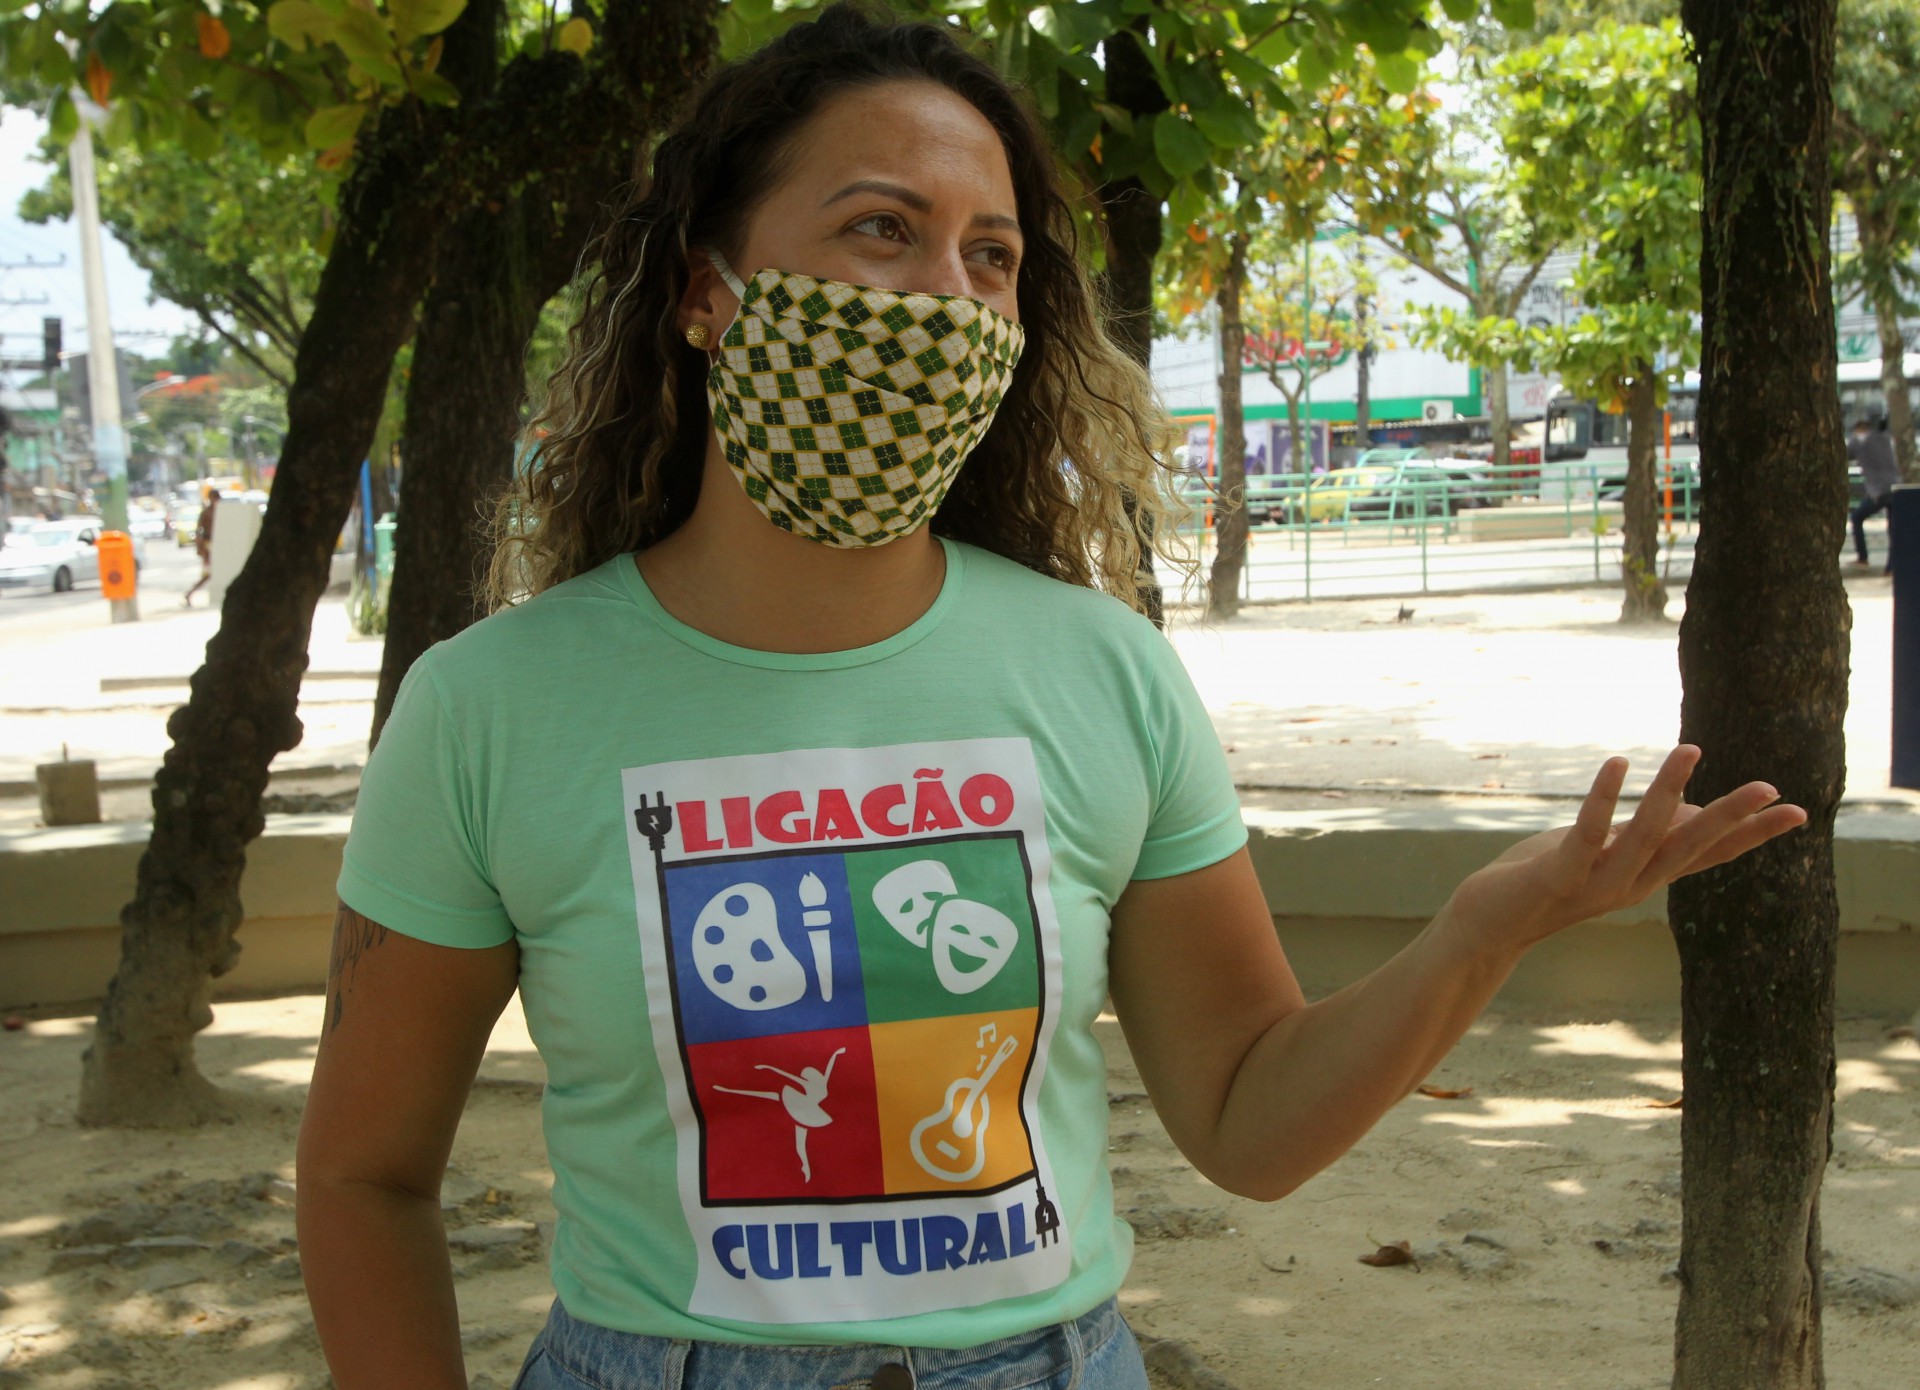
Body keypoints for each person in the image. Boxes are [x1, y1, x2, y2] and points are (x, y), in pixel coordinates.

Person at [295, 8, 1808, 1390]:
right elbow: (364, 1172)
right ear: (707, 291)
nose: (945, 298)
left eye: (991, 255)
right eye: (883, 228)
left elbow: (1247, 1118)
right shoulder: (490, 705)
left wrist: (1488, 926)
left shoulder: (1106, 671)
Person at [1846, 415, 1900, 573]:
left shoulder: (1859, 442)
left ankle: (1863, 557)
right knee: (1893, 529)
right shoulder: (1884, 438)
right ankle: (1891, 567)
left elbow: (1847, 454)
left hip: (1879, 490)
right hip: (1895, 487)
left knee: (1857, 517)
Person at [182, 491, 216, 607]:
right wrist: (201, 548)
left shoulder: (220, 512)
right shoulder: (206, 513)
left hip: (217, 545)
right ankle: (189, 594)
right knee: (207, 575)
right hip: (209, 545)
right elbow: (199, 531)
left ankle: (189, 594)